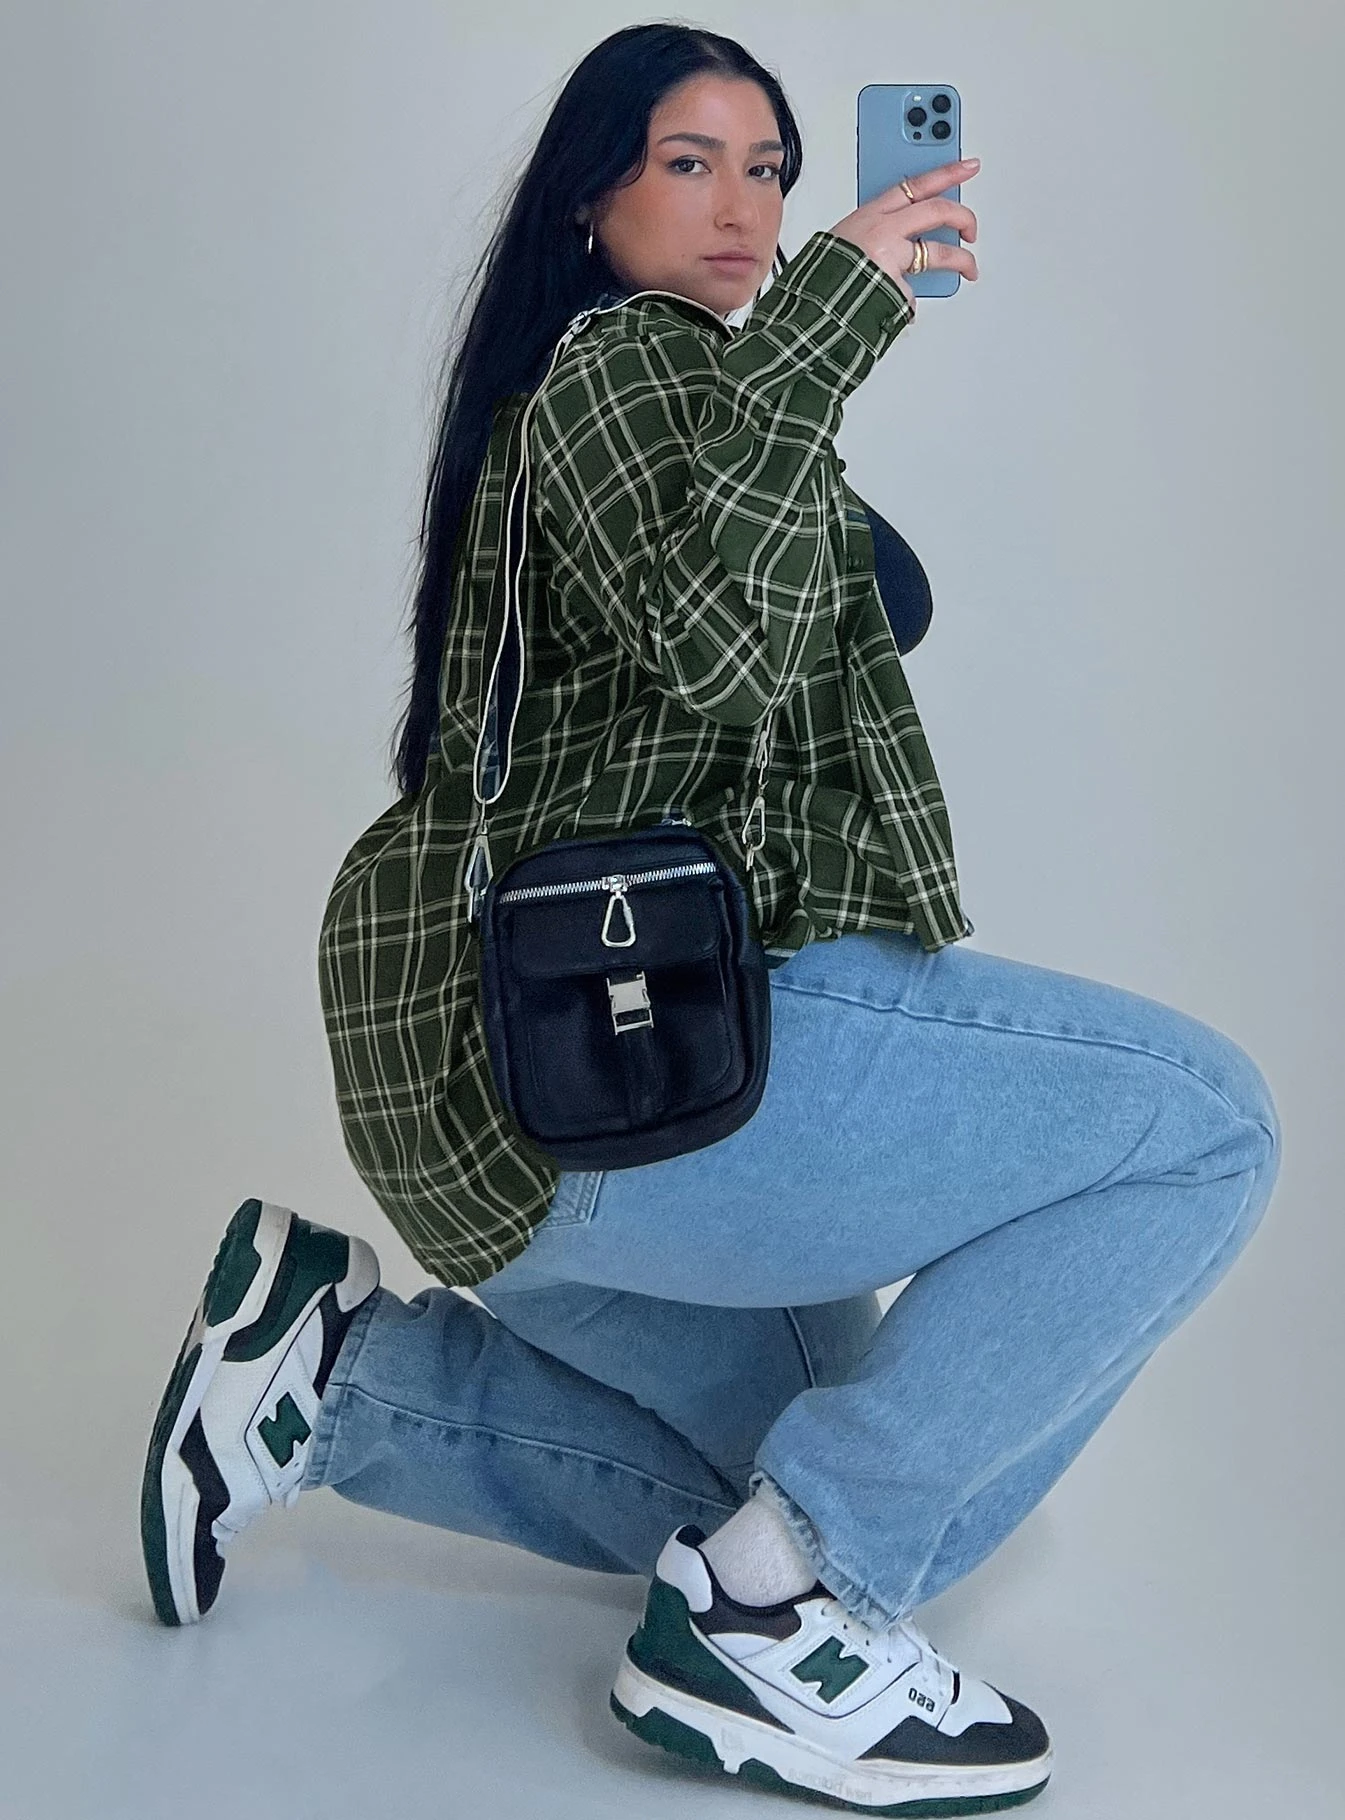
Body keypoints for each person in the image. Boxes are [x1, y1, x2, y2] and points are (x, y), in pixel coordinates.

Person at [140, 24, 1282, 1818]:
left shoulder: (678, 408)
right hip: (647, 1048)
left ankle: (334, 1376)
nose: (746, 206)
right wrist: (843, 306)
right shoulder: (620, 367)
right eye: (692, 162)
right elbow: (715, 641)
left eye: (772, 171)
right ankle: (775, 1617)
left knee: (819, 1479)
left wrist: (805, 424)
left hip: (543, 1112)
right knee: (1207, 1127)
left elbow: (721, 629)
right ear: (590, 197)